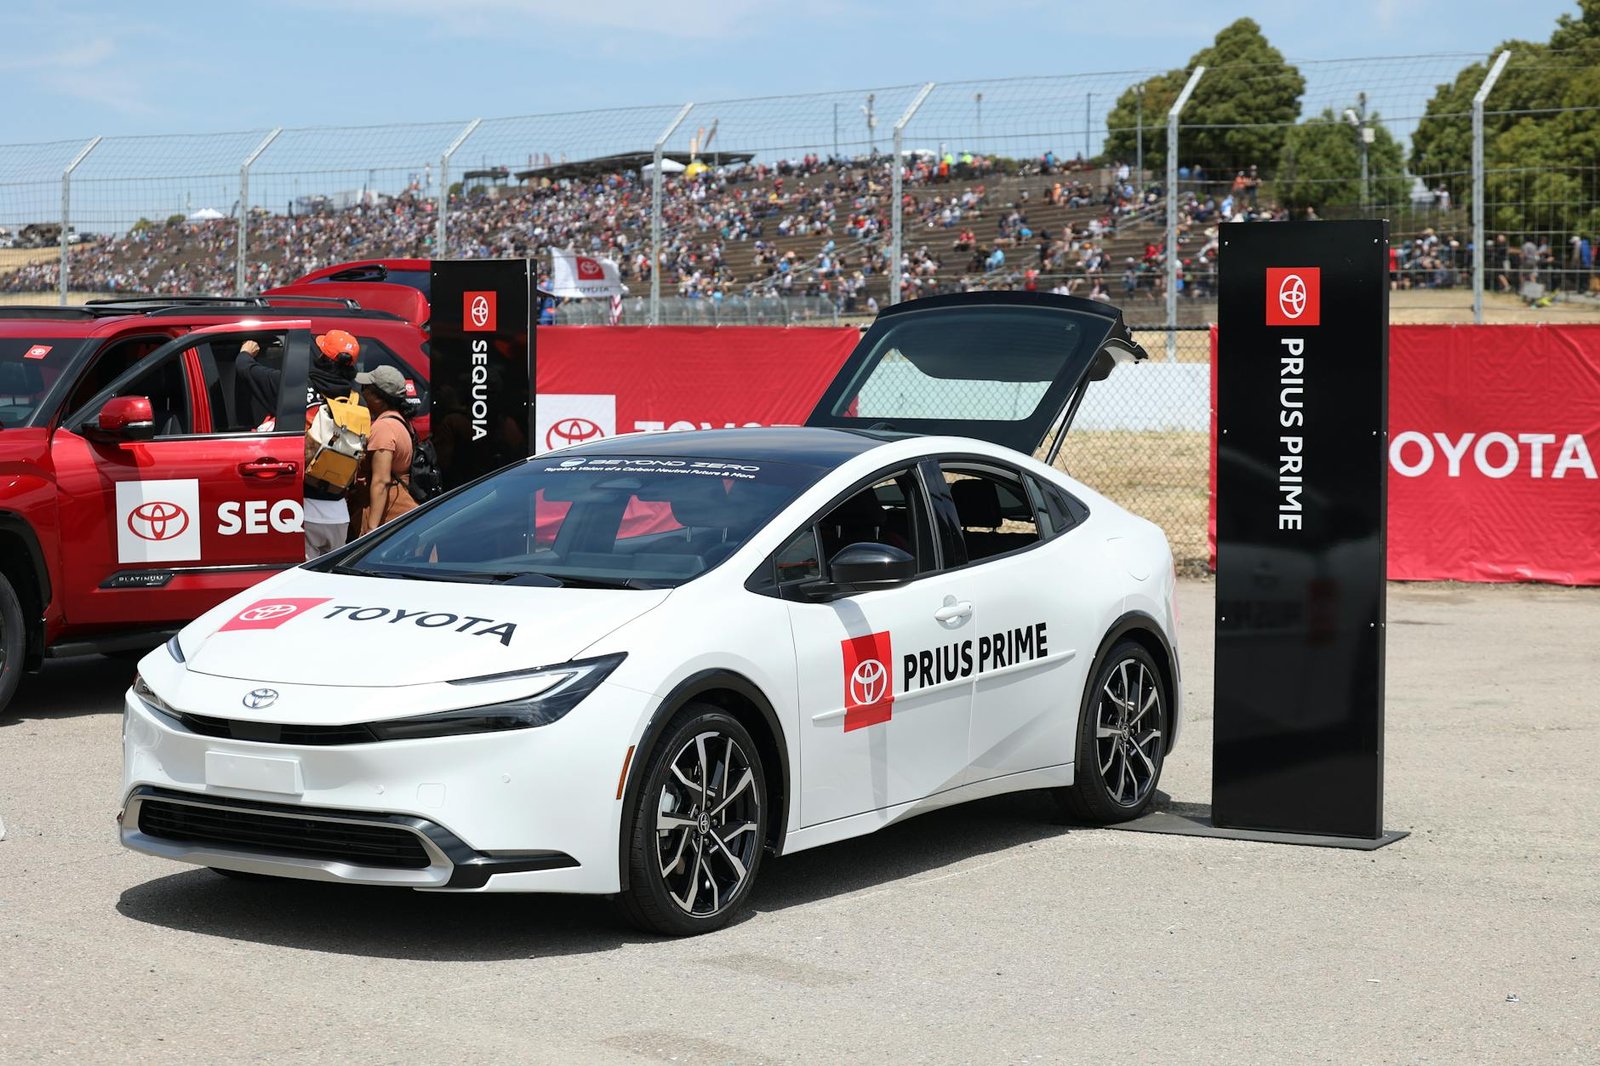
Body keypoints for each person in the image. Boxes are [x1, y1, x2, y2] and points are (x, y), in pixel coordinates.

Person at [238, 329, 362, 559]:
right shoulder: (358, 400)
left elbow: (246, 370)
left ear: (322, 357)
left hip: (304, 508)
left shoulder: (294, 389)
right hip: (339, 512)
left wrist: (246, 352)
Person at [352, 364, 416, 536]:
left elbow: (381, 481)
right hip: (400, 516)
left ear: (378, 398)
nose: (362, 393)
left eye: (365, 389)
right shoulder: (401, 421)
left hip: (388, 518)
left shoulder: (384, 428)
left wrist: (372, 530)